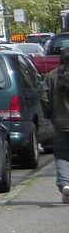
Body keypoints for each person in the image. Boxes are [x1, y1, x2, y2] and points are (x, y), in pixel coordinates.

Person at [48, 45, 69, 203]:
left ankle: (65, 184)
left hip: (60, 122)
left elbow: (43, 99)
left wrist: (49, 115)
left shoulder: (51, 76)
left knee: (61, 154)